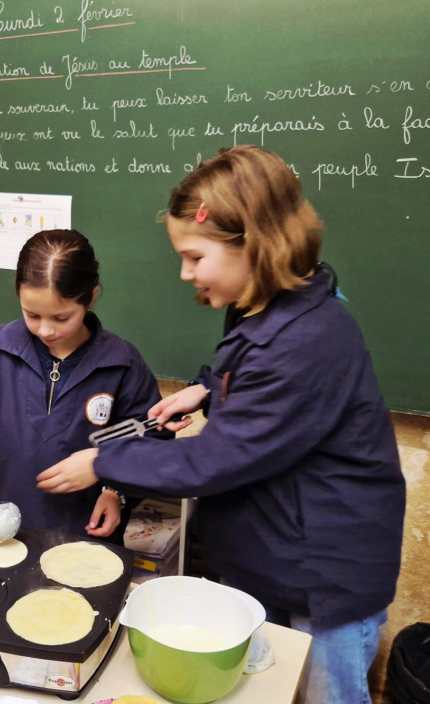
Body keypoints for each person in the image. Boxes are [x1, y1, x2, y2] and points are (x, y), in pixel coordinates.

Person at [36, 146, 406, 703]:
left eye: (194, 256)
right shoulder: (266, 305)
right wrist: (207, 387)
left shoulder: (306, 341)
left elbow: (214, 459)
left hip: (324, 575)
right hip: (277, 555)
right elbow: (253, 371)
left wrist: (103, 461)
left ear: (254, 242)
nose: (185, 273)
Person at [0, 229, 170, 542]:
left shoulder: (121, 364)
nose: (45, 330)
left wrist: (115, 492)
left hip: (82, 534)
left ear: (90, 297)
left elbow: (152, 435)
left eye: (61, 318)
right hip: (1, 530)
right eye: (32, 315)